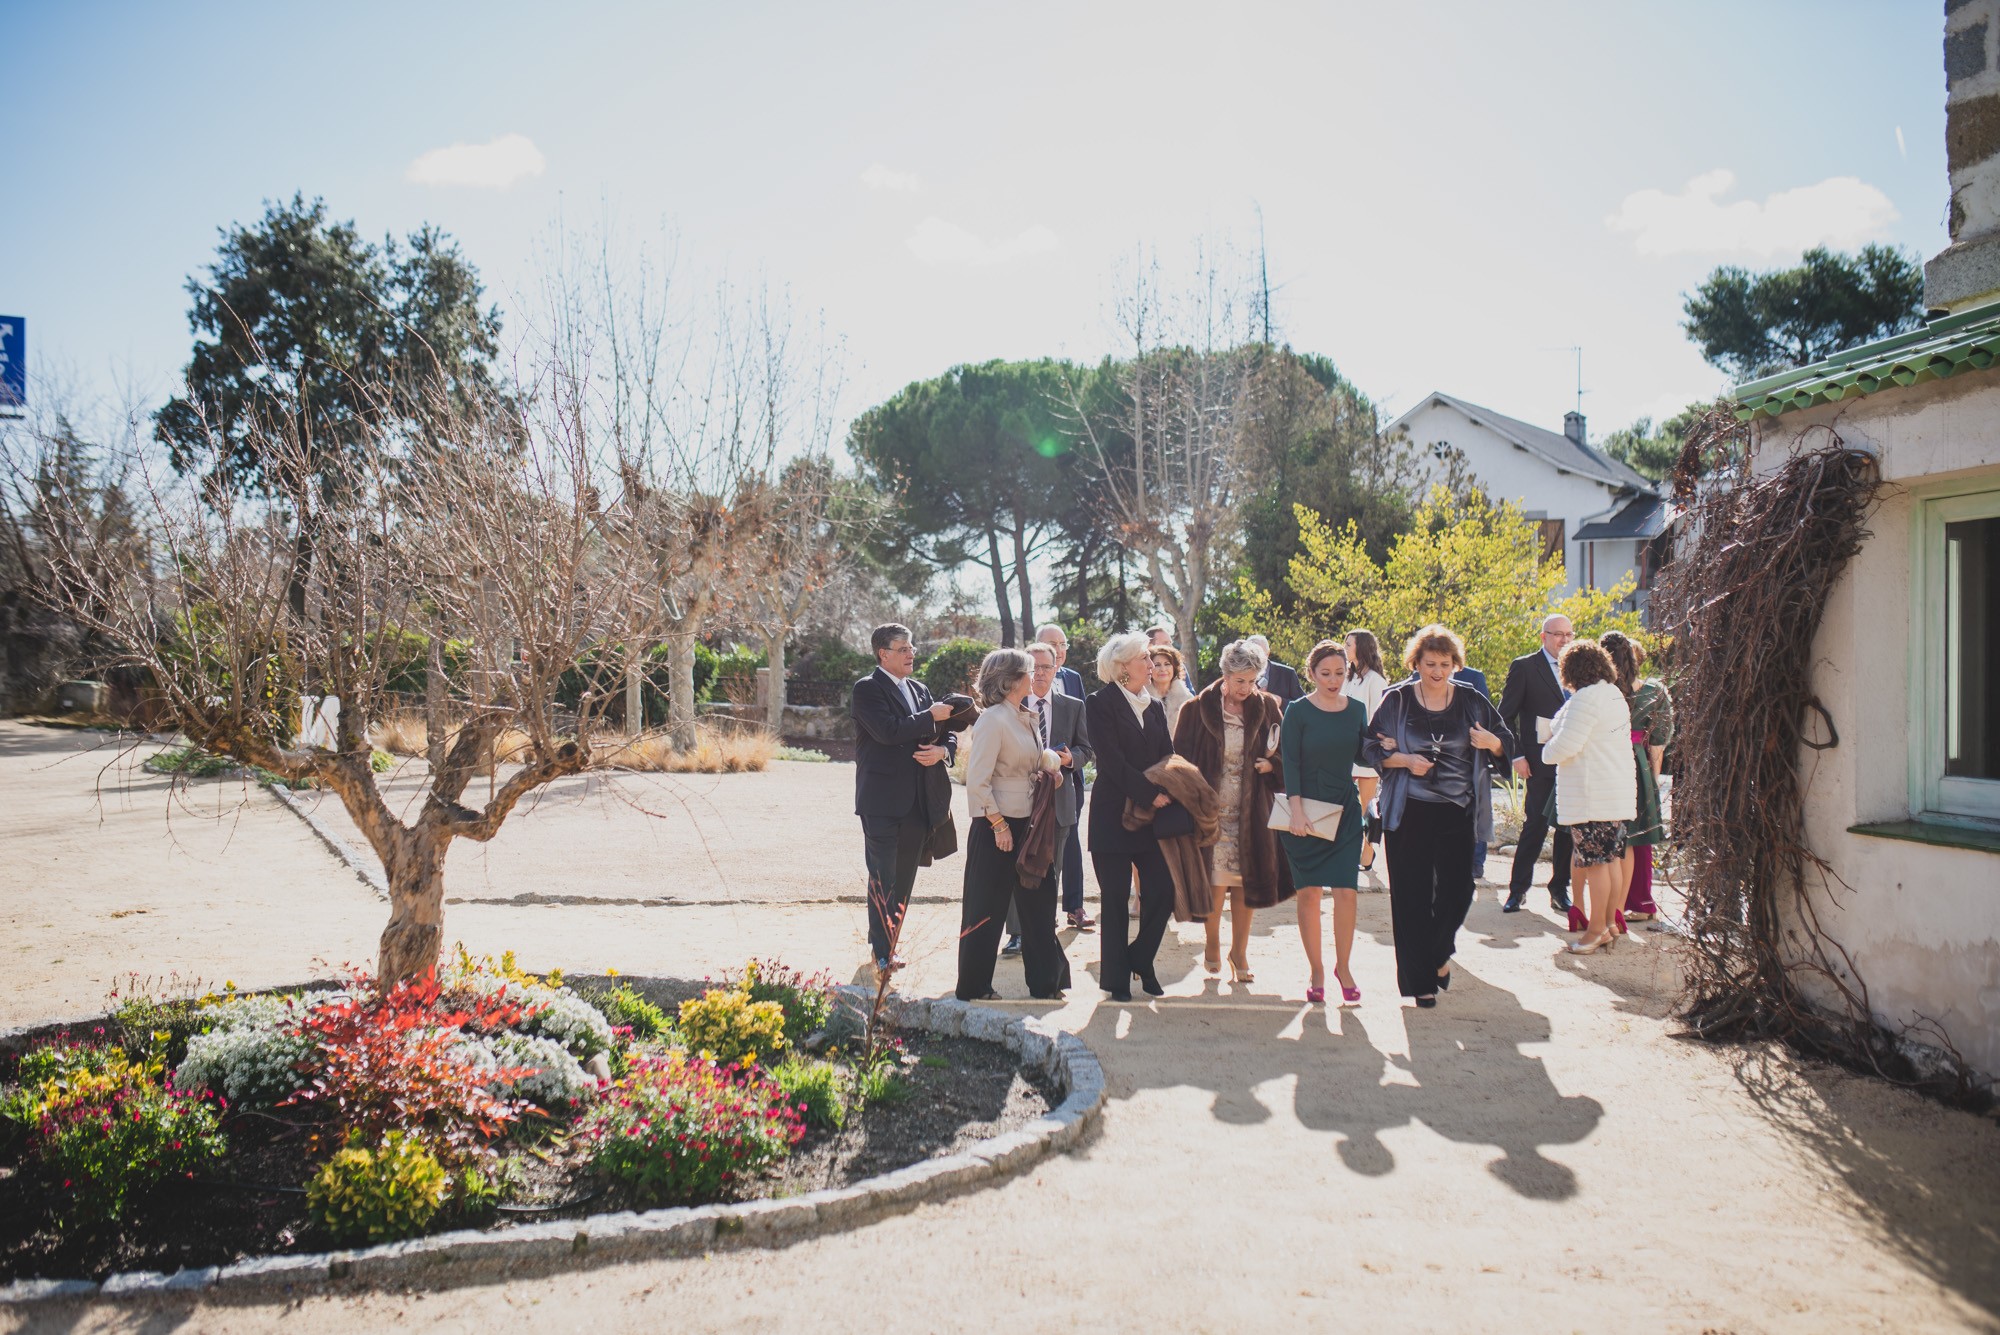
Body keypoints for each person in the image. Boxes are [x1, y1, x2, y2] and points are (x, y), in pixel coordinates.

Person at [1364, 625, 1515, 1008]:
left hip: (1457, 809)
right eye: (1430, 663)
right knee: (1410, 897)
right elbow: (1367, 747)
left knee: (1459, 889)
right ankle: (1421, 984)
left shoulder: (1471, 700)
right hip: (1407, 810)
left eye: (1445, 664)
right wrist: (1403, 760)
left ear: (1455, 665)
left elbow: (1506, 741)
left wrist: (1492, 742)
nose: (1437, 671)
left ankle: (1438, 955)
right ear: (1415, 663)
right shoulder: (1396, 700)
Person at [1173, 638, 1290, 984]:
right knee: (1214, 882)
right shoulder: (1195, 709)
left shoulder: (1267, 706)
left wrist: (1273, 768)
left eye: (1253, 681)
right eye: (1240, 681)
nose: (1247, 688)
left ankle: (1239, 951)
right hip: (1211, 810)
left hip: (1253, 810)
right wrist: (1194, 797)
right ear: (1225, 676)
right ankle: (1212, 943)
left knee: (1245, 882)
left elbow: (1283, 753)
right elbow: (1179, 761)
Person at [956, 649, 1070, 1001]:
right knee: (985, 908)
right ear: (1011, 680)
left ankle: (1046, 984)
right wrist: (998, 825)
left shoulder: (1025, 715)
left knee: (1041, 903)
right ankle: (974, 986)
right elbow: (977, 781)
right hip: (997, 828)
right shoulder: (992, 719)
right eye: (1029, 672)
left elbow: (1026, 766)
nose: (1034, 677)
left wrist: (1048, 773)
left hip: (1030, 827)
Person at [852, 624, 958, 978]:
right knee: (883, 878)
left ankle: (888, 943)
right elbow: (888, 731)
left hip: (919, 801)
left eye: (912, 647)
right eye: (903, 648)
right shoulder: (867, 689)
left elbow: (948, 732)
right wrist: (930, 716)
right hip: (881, 802)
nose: (911, 653)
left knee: (904, 878)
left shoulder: (920, 688)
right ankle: (882, 953)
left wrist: (943, 749)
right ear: (883, 654)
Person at [1086, 632, 1177, 1002]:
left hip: (1149, 820)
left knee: (1164, 891)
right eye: (1145, 657)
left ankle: (1140, 956)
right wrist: (1149, 793)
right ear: (1123, 667)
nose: (1152, 663)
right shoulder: (1099, 703)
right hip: (1112, 817)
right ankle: (1116, 980)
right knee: (1114, 900)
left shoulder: (1154, 706)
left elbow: (1167, 756)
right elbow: (1110, 761)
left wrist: (1174, 787)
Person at [1280, 641, 1372, 1004]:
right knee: (1310, 894)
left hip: (1345, 812)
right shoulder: (1298, 711)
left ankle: (1343, 968)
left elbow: (1365, 755)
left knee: (1347, 892)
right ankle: (1317, 970)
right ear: (1311, 674)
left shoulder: (1358, 710)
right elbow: (1291, 763)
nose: (1334, 680)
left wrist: (1388, 747)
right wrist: (1297, 810)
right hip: (1305, 813)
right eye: (1326, 674)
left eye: (1340, 673)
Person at [1542, 638, 1637, 954]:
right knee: (1609, 862)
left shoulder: (1586, 699)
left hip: (1591, 794)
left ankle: (1594, 930)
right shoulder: (1612, 695)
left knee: (1596, 865)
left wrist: (1546, 752)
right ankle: (1608, 924)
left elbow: (1566, 744)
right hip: (1613, 795)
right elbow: (1564, 721)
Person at [1001, 642, 1094, 955]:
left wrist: (1070, 760)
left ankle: (1043, 931)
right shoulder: (1011, 704)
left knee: (1049, 869)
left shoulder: (1073, 705)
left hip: (1058, 802)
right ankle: (1016, 934)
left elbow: (1087, 750)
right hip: (1017, 801)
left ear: (1057, 669)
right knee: (1016, 868)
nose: (1039, 672)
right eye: (1034, 666)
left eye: (1045, 666)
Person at [1498, 615, 1576, 915]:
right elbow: (1505, 716)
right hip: (1537, 761)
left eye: (1569, 634)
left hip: (1572, 761)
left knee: (1567, 828)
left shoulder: (1581, 667)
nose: (1565, 640)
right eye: (1558, 634)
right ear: (1543, 637)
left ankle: (1559, 889)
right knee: (1535, 825)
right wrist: (1516, 755)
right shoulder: (1525, 667)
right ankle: (1517, 891)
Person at [1601, 631, 1673, 923]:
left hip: (1604, 761)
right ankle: (1640, 902)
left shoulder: (1597, 691)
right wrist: (1652, 777)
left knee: (1605, 834)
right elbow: (1659, 739)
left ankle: (1607, 905)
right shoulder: (1654, 690)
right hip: (1637, 763)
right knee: (1638, 835)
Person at [1034, 624, 1092, 930]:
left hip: (1069, 780)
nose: (1058, 650)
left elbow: (1083, 734)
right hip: (1030, 781)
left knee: (1069, 844)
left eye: (1062, 644)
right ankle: (1038, 915)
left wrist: (1074, 761)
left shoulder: (1073, 679)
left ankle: (1074, 906)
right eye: (1050, 644)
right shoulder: (1026, 677)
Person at [1343, 629, 1390, 874]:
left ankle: (1368, 853)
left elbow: (1377, 718)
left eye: (1348, 644)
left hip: (1367, 754)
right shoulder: (1348, 678)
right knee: (1349, 806)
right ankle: (1353, 852)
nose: (1344, 647)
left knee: (1367, 807)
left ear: (1361, 647)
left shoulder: (1376, 680)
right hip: (1347, 752)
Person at [1147, 644, 1196, 733]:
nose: (1163, 669)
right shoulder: (1141, 697)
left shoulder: (1187, 699)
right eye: (1157, 665)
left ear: (1174, 668)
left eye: (1167, 664)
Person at [1246, 633, 1304, 703]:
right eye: (1251, 655)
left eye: (1259, 654)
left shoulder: (1287, 674)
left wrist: (1280, 701)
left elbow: (1302, 704)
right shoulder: (1239, 674)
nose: (1255, 659)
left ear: (1268, 653)